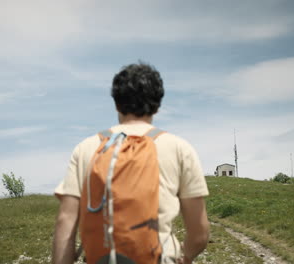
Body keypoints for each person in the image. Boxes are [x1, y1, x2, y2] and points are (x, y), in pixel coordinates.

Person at [52, 62, 210, 264]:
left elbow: (66, 221)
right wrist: (185, 257)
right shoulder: (179, 148)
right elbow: (199, 234)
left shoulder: (86, 148)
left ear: (116, 102)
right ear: (158, 104)